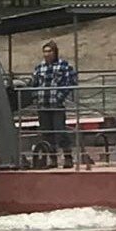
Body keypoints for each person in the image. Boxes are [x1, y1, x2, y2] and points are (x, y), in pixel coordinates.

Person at [30, 40, 77, 168]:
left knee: (60, 130)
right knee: (46, 133)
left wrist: (60, 96)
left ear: (55, 52)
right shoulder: (39, 67)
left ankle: (68, 157)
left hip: (56, 104)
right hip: (43, 104)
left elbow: (71, 81)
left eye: (49, 51)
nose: (46, 54)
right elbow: (33, 83)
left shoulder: (64, 66)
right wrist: (35, 97)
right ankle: (53, 159)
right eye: (45, 51)